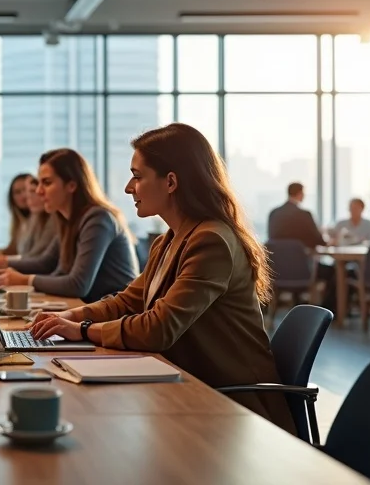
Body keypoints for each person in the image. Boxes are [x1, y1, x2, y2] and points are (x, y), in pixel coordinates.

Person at [29, 123, 296, 434]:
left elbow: (158, 328)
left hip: (234, 408)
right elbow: (128, 301)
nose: (129, 187)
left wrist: (82, 330)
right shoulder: (168, 240)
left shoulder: (211, 242)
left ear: (171, 182)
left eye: (137, 176)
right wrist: (69, 317)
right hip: (191, 386)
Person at [0, 148, 138, 303]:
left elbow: (78, 285)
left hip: (118, 318)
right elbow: (49, 265)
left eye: (46, 183)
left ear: (71, 185)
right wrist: (11, 274)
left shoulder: (98, 219)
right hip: (92, 311)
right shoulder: (67, 221)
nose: (38, 191)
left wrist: (25, 280)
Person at [268, 182, 336, 311]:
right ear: (300, 194)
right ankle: (328, 311)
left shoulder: (274, 214)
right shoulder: (304, 215)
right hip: (304, 270)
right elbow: (319, 241)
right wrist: (329, 241)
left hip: (278, 271)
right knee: (334, 271)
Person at [0, 174, 56, 266]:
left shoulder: (51, 221)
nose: (26, 196)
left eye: (31, 191)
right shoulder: (30, 220)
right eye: (18, 192)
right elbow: (14, 251)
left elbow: (36, 258)